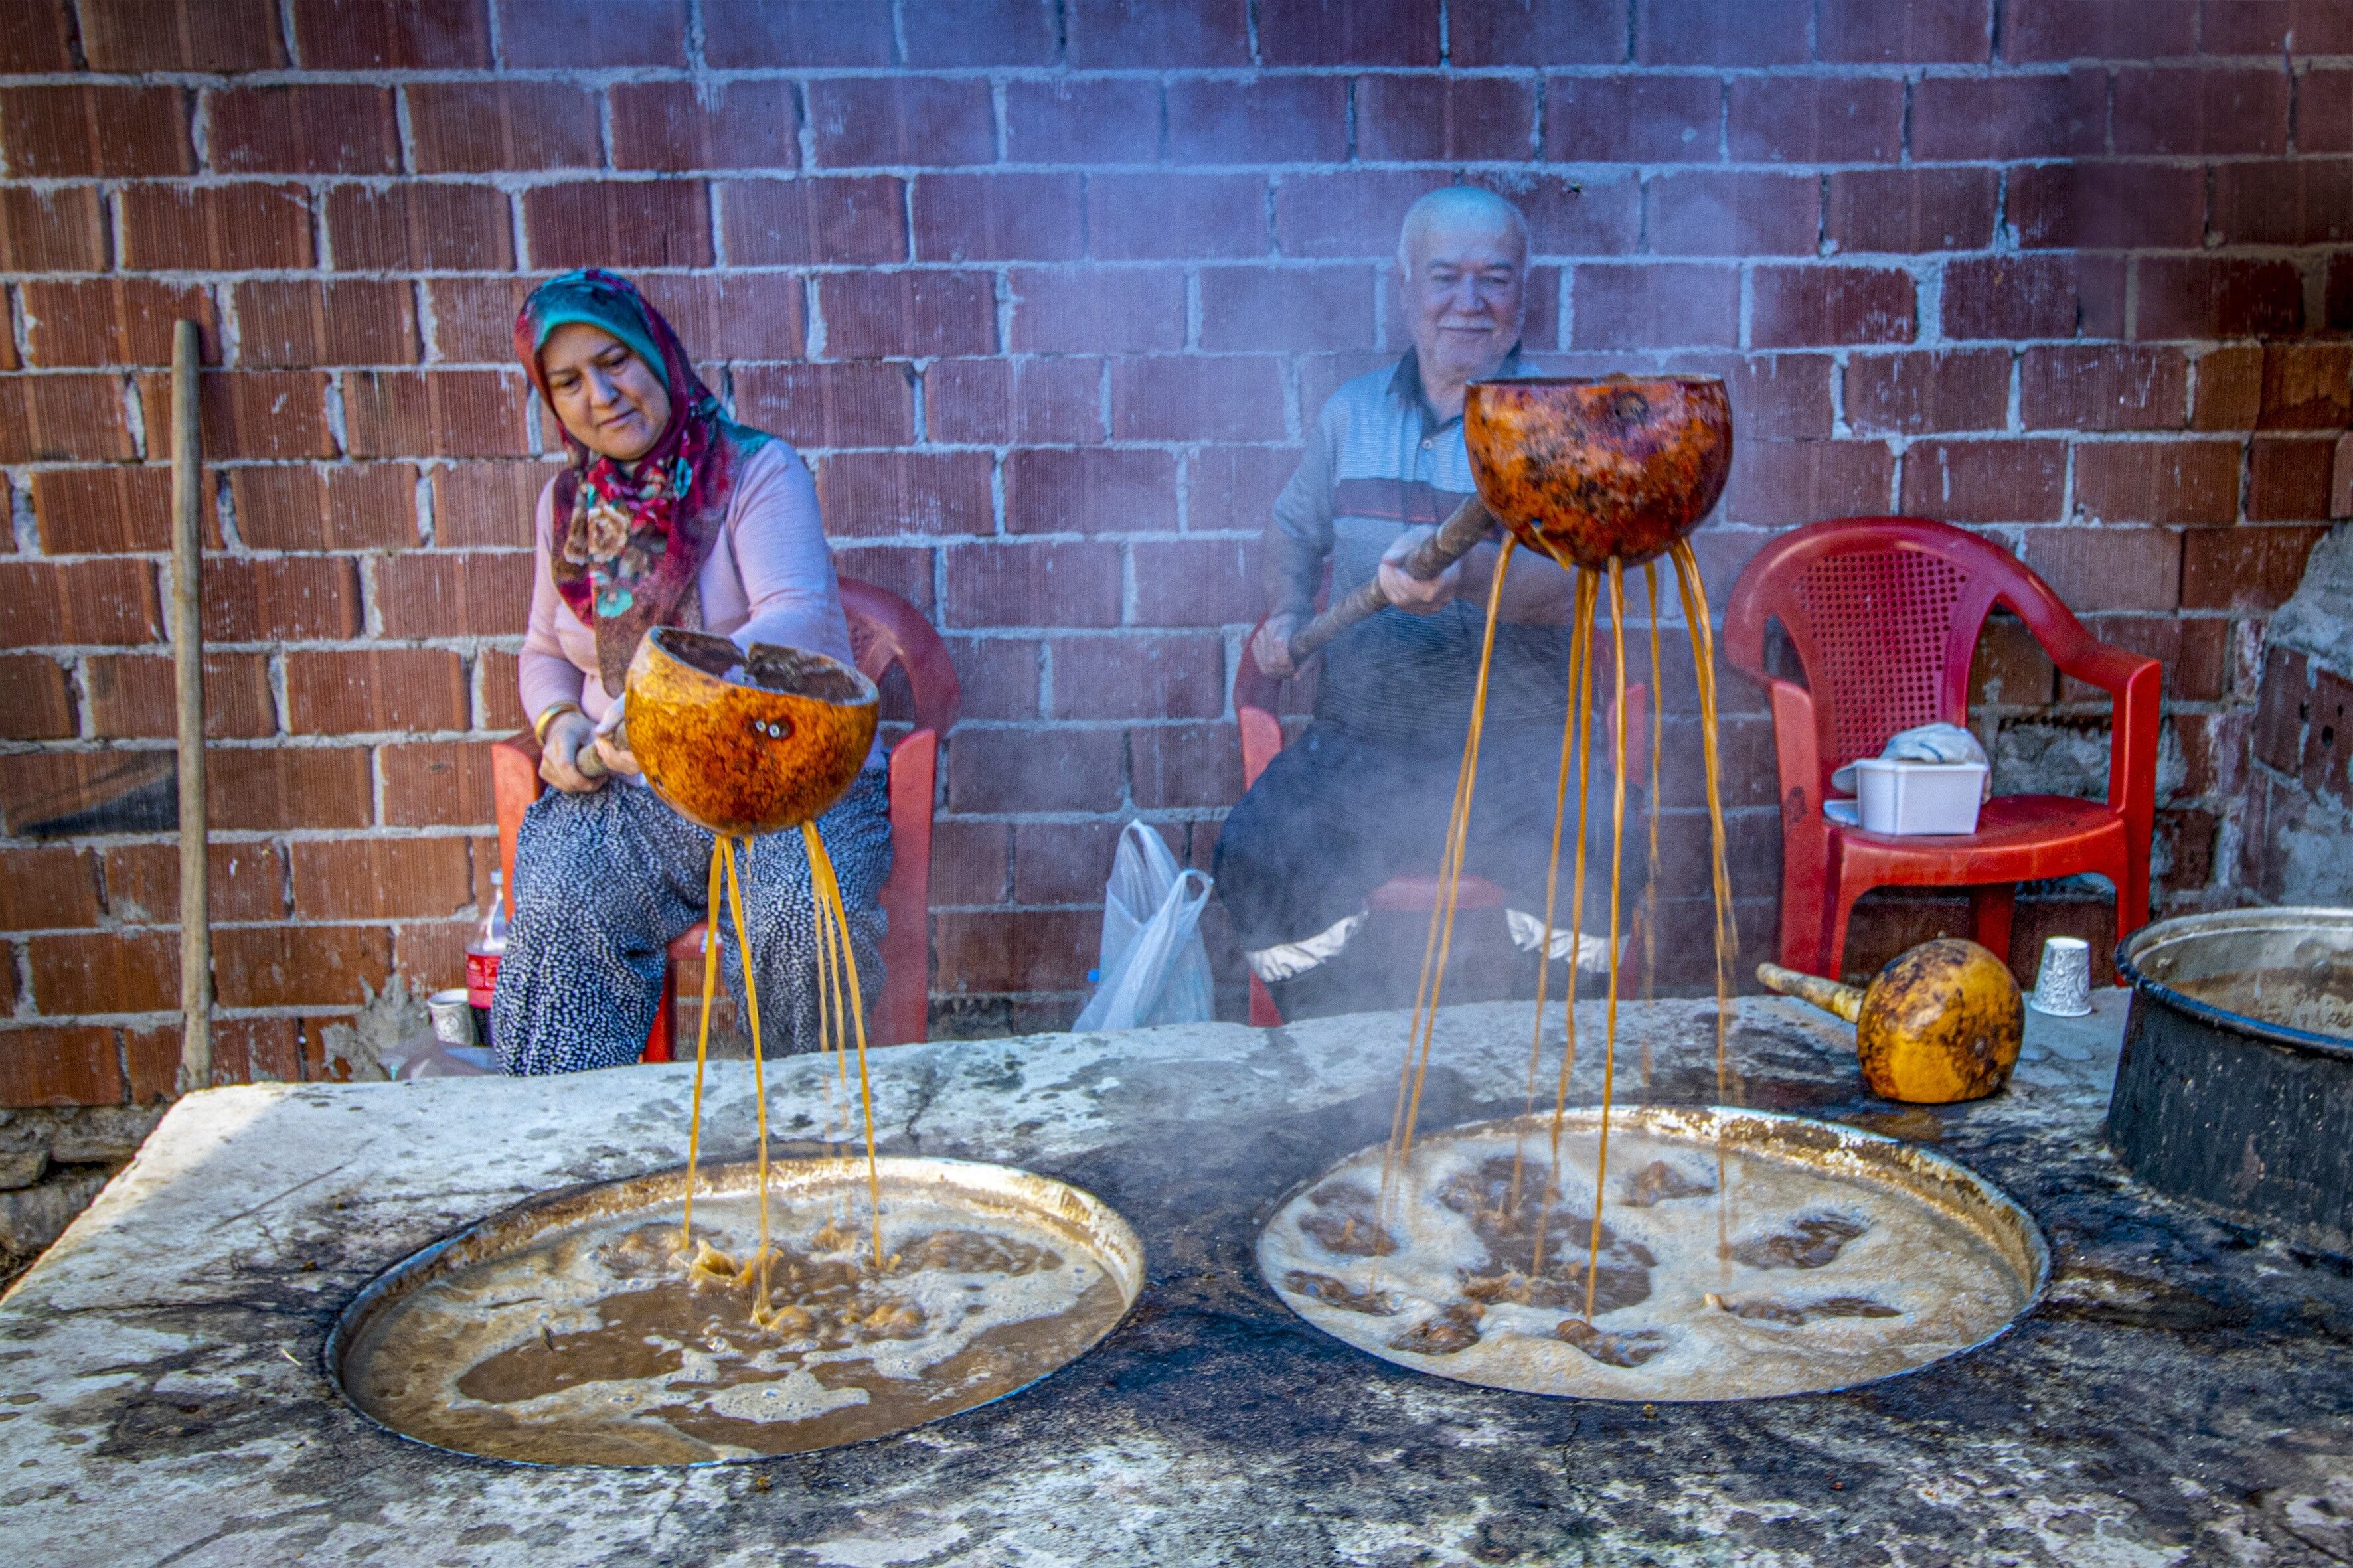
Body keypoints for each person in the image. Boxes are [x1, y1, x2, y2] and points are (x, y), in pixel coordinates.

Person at [1214, 187, 1636, 1020]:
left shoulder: (1560, 428)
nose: (1469, 303)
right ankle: (1349, 1056)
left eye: (1496, 279)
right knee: (1258, 854)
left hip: (1525, 746)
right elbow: (1292, 527)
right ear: (1405, 286)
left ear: (1524, 293)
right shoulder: (1350, 415)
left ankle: (1539, 1066)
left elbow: (1578, 590)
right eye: (1445, 276)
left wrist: (1470, 578)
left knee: (1604, 856)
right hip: (1363, 742)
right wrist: (1290, 613)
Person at [493, 269, 890, 1073]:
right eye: (568, 382)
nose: (600, 395)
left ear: (656, 355)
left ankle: (802, 1137)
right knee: (563, 902)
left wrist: (658, 700)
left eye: (615, 363)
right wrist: (563, 723)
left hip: (783, 779)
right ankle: (579, 1155)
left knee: (793, 915)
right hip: (641, 794)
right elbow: (543, 651)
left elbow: (798, 615)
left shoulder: (754, 471)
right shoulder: (567, 508)